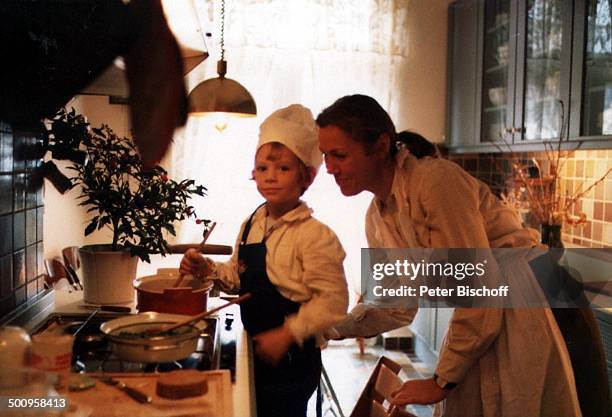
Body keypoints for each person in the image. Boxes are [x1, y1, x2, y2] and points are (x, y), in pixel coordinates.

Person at [316, 94, 585, 417]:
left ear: (381, 146)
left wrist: (439, 383)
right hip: (485, 319)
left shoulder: (436, 182)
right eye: (325, 156)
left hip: (518, 311)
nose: (329, 168)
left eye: (339, 155)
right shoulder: (377, 216)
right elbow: (397, 305)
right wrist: (331, 328)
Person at [180, 104, 349, 417]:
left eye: (283, 169)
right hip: (257, 351)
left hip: (292, 361)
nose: (270, 177)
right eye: (262, 168)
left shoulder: (315, 236)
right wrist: (208, 269)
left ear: (307, 177)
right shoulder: (252, 222)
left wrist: (286, 334)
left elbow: (334, 302)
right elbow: (237, 275)